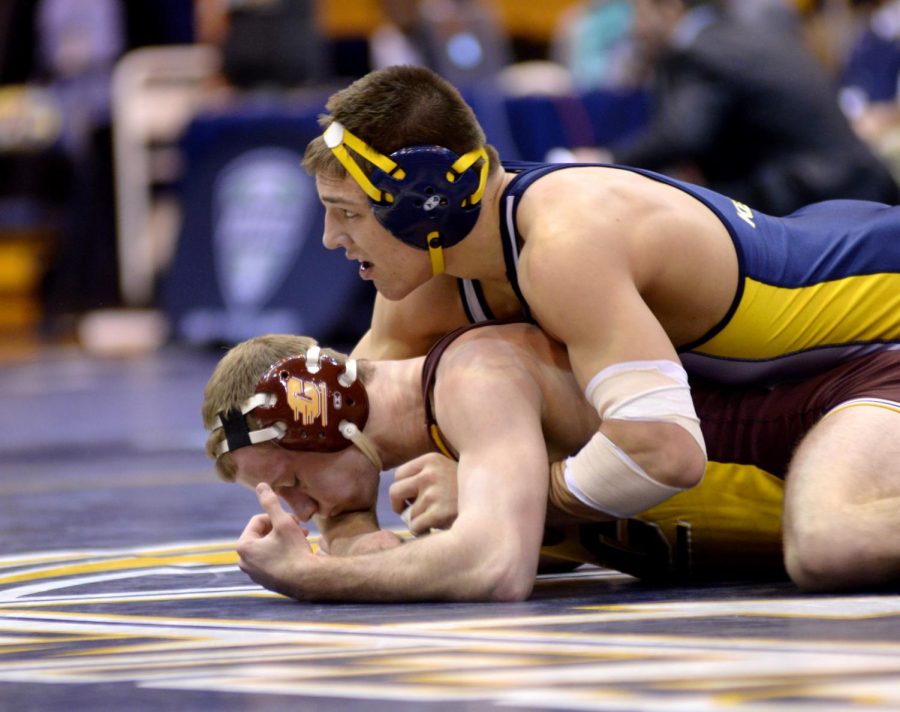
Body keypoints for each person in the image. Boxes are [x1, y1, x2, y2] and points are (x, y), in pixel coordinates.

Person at [298, 63, 900, 591]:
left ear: (425, 200)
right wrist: (349, 530)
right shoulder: (429, 278)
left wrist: (512, 492)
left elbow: (663, 452)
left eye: (347, 213)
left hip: (882, 309)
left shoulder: (566, 242)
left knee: (831, 543)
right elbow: (350, 423)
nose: (330, 239)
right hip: (830, 363)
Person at [202, 323, 900, 601]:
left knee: (830, 542)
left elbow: (494, 569)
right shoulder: (453, 472)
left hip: (849, 402)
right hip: (797, 473)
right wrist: (348, 536)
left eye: (291, 484)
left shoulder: (472, 375)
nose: (297, 508)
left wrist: (316, 578)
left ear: (318, 414)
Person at [568, 0, 899, 215]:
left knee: (678, 215)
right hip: (854, 183)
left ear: (670, 8)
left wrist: (606, 161)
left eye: (639, 15)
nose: (633, 29)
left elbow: (681, 135)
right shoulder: (741, 33)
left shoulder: (702, 53)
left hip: (815, 194)